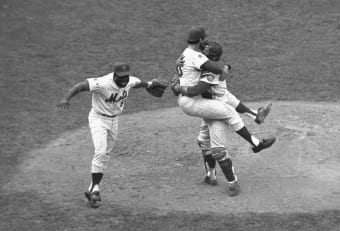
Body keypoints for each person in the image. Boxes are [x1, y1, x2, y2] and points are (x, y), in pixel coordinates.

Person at [171, 27, 276, 195]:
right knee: (226, 122)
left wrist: (176, 85)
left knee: (205, 142)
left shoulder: (190, 58)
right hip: (201, 104)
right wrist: (224, 67)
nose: (204, 45)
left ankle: (210, 176)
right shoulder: (203, 65)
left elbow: (209, 69)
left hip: (204, 105)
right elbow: (196, 87)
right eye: (203, 42)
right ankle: (245, 160)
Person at [56, 62, 167, 207]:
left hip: (114, 121)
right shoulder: (102, 83)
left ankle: (92, 188)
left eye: (125, 78)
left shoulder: (129, 80)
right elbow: (80, 86)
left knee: (106, 155)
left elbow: (138, 83)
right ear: (114, 75)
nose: (123, 81)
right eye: (120, 78)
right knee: (100, 152)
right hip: (98, 119)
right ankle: (95, 189)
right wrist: (66, 98)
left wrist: (151, 83)